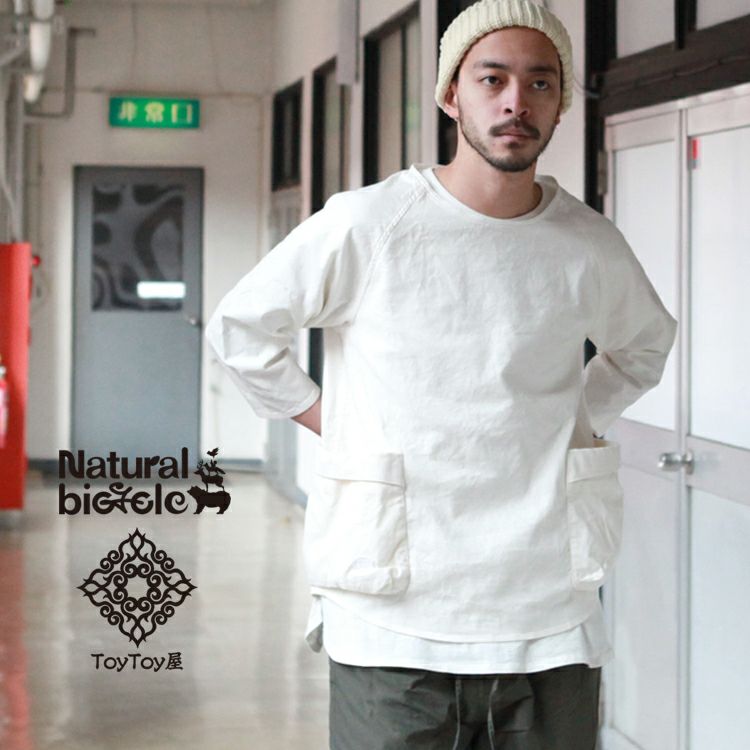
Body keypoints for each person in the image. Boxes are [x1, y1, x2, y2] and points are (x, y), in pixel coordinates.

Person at [204, 0, 678, 747]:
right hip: (392, 617)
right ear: (452, 95)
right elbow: (241, 328)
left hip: (546, 613)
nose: (517, 101)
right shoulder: (372, 223)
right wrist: (331, 420)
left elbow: (646, 344)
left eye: (541, 82)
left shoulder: (587, 243)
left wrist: (576, 423)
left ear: (560, 104)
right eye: (492, 79)